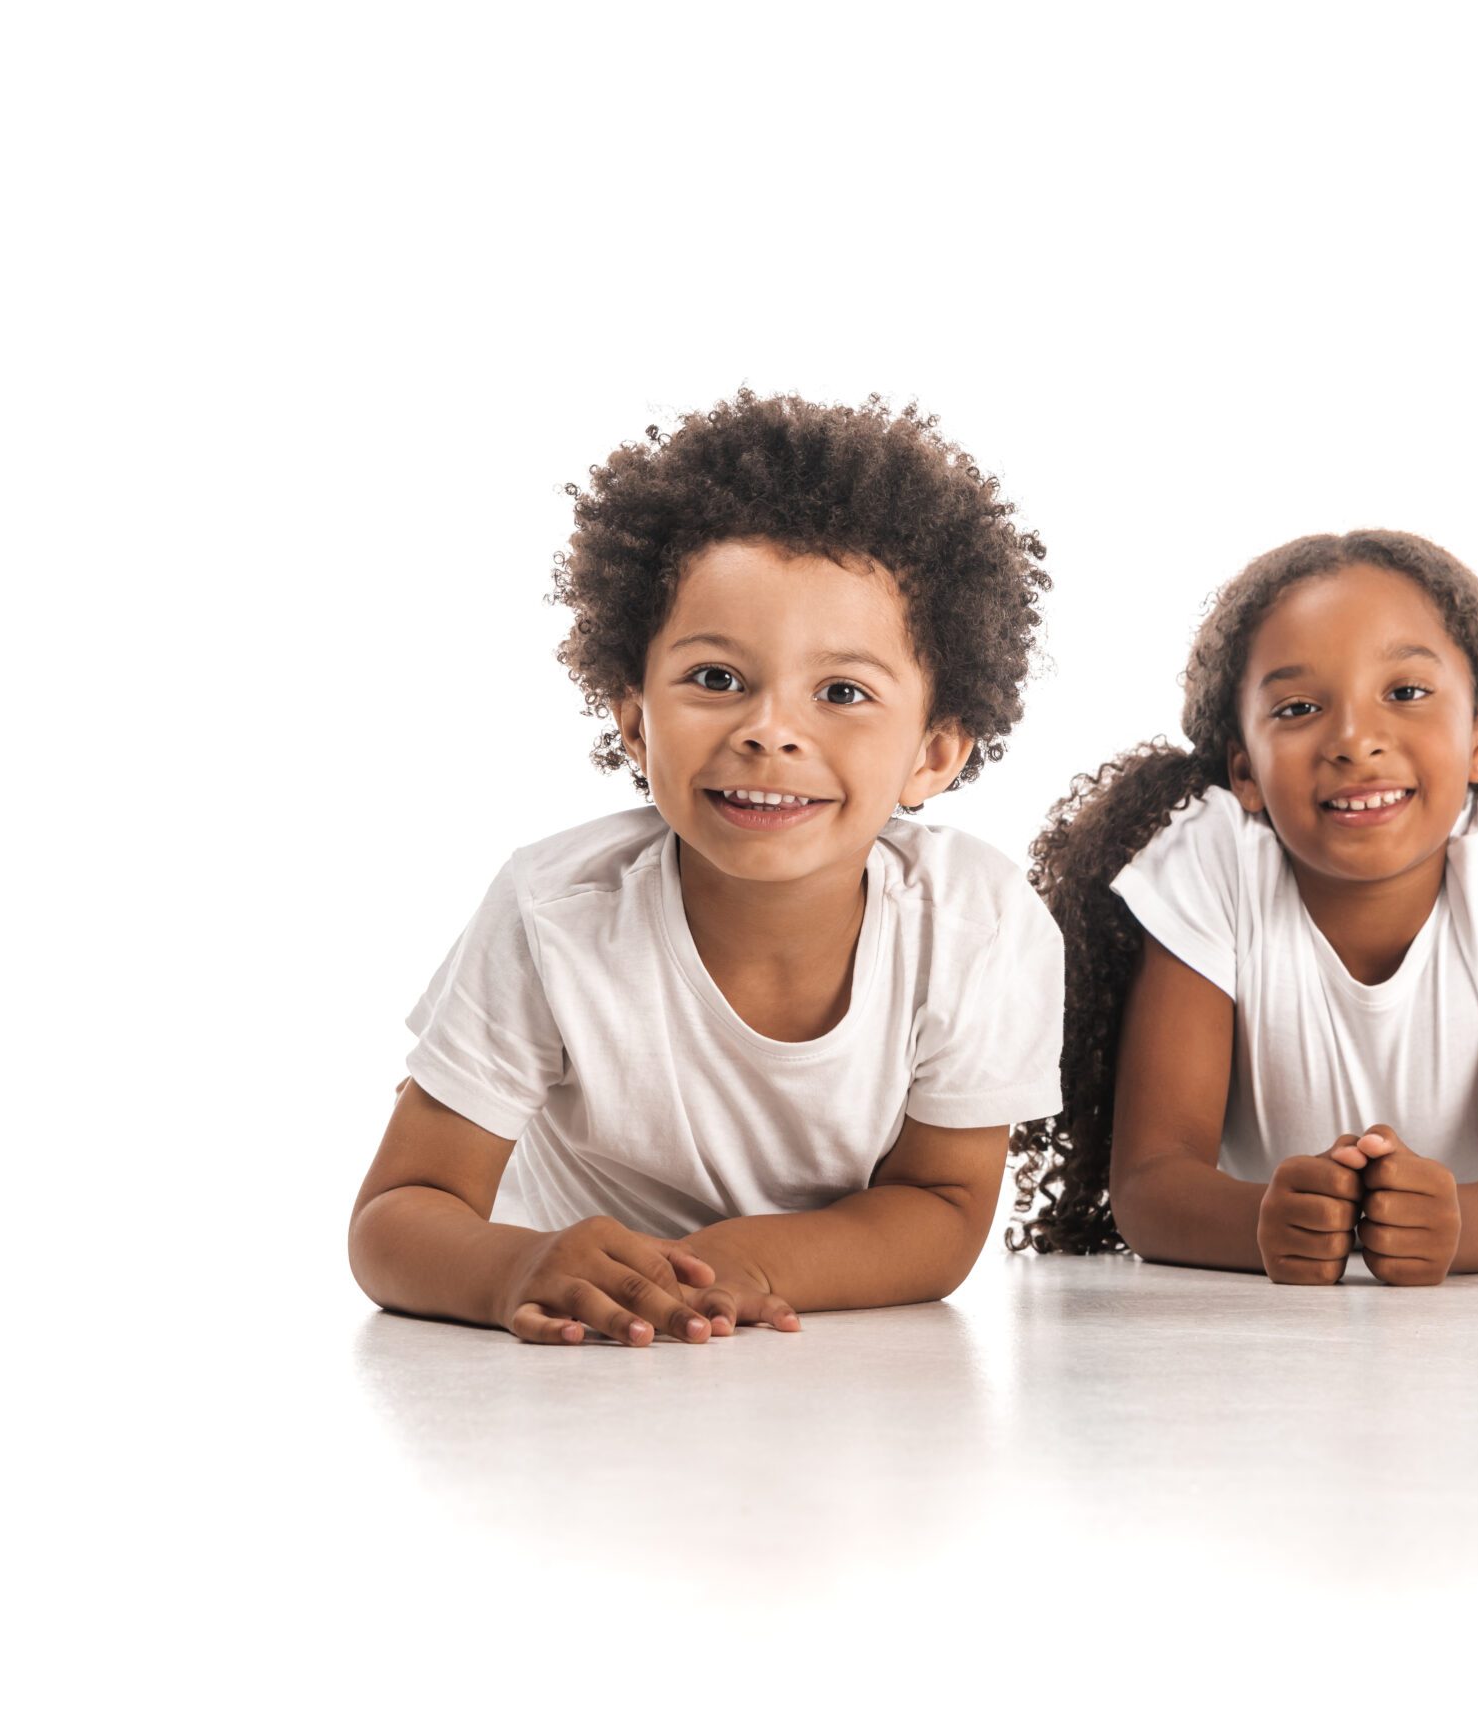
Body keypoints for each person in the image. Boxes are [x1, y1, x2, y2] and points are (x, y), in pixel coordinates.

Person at [350, 391, 1063, 1345]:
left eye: (842, 692)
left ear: (933, 754)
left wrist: (752, 1262)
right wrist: (516, 1265)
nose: (770, 731)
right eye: (717, 679)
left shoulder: (976, 926)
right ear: (637, 720)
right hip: (578, 1381)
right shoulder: (553, 913)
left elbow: (942, 1206)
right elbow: (399, 1212)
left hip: (828, 1391)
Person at [1009, 530, 1478, 1282]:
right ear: (1244, 771)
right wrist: (1260, 1224)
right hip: (1258, 1349)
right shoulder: (1211, 859)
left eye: (1406, 693)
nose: (1355, 739)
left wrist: (1457, 1225)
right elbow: (1149, 1181)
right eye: (1299, 707)